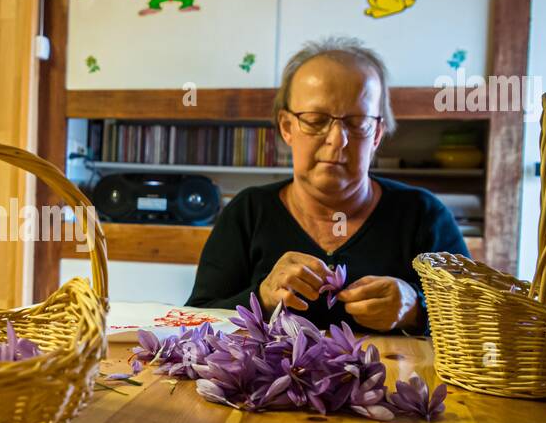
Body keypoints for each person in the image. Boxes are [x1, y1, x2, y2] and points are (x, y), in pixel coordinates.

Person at [186, 36, 468, 332]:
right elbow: (195, 322)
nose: (337, 140)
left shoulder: (423, 216)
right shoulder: (248, 212)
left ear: (377, 135)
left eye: (357, 122)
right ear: (287, 127)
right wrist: (262, 297)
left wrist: (417, 309)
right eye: (316, 119)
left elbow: (476, 326)